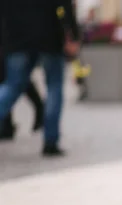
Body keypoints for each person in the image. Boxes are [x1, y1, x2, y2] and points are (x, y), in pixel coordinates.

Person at [0, 0, 80, 156]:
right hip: (48, 36)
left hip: (16, 39)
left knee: (12, 86)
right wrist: (73, 35)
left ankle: (50, 139)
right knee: (54, 86)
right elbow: (65, 5)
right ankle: (50, 142)